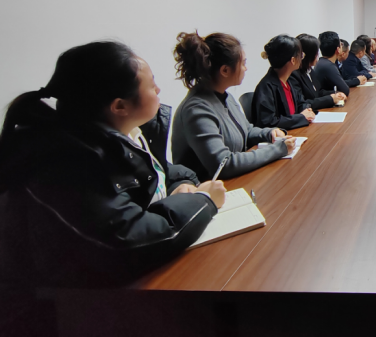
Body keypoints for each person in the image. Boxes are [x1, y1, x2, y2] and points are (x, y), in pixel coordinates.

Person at [0, 41, 226, 287]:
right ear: (120, 106)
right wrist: (204, 201)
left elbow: (157, 173)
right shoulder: (68, 163)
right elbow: (129, 238)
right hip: (65, 299)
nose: (159, 89)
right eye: (152, 84)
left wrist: (178, 186)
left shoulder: (128, 134)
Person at [171, 31, 293, 181]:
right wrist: (278, 149)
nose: (245, 69)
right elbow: (224, 164)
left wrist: (270, 133)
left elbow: (247, 131)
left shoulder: (225, 97)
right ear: (225, 70)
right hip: (209, 189)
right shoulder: (196, 110)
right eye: (243, 64)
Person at [252, 35, 316, 130]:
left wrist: (306, 109)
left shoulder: (288, 80)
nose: (302, 58)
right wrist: (301, 117)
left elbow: (301, 102)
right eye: (301, 55)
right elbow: (269, 122)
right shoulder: (266, 86)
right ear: (293, 60)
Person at [290, 33, 347, 111]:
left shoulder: (310, 70)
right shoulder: (294, 75)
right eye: (316, 53)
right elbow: (302, 104)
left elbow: (318, 92)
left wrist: (336, 93)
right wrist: (331, 99)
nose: (318, 57)